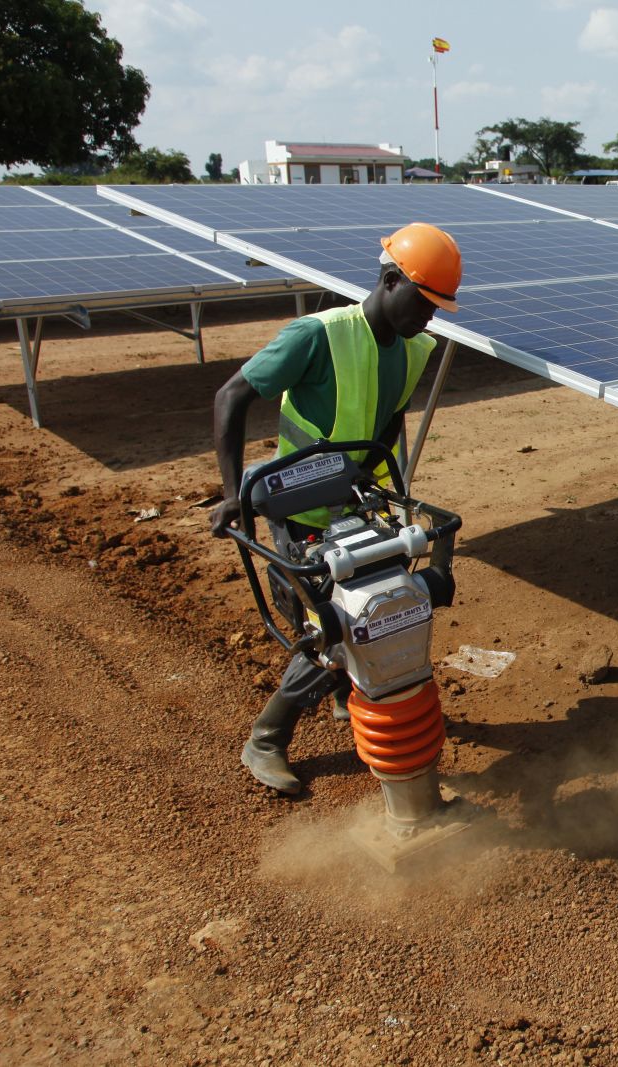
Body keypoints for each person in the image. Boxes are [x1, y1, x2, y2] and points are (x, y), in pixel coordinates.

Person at [209, 222, 462, 794]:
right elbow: (231, 397)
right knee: (337, 631)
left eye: (437, 308)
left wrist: (385, 491)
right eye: (423, 303)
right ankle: (266, 740)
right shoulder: (317, 336)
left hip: (360, 510)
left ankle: (352, 696)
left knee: (381, 613)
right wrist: (232, 495)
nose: (429, 319)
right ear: (390, 279)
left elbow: (388, 418)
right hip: (300, 516)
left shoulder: (415, 349)